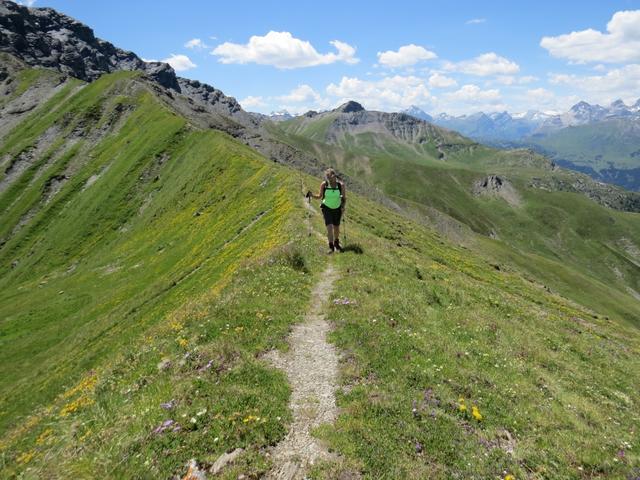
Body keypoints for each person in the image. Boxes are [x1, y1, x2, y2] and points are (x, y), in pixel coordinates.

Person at [306, 168, 346, 253]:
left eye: (330, 177)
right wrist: (311, 195)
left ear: (334, 176)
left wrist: (343, 207)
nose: (328, 179)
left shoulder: (340, 185)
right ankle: (331, 247)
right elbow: (319, 196)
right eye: (327, 177)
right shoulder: (324, 184)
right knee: (329, 227)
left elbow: (344, 198)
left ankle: (336, 242)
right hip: (326, 208)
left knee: (336, 227)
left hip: (337, 209)